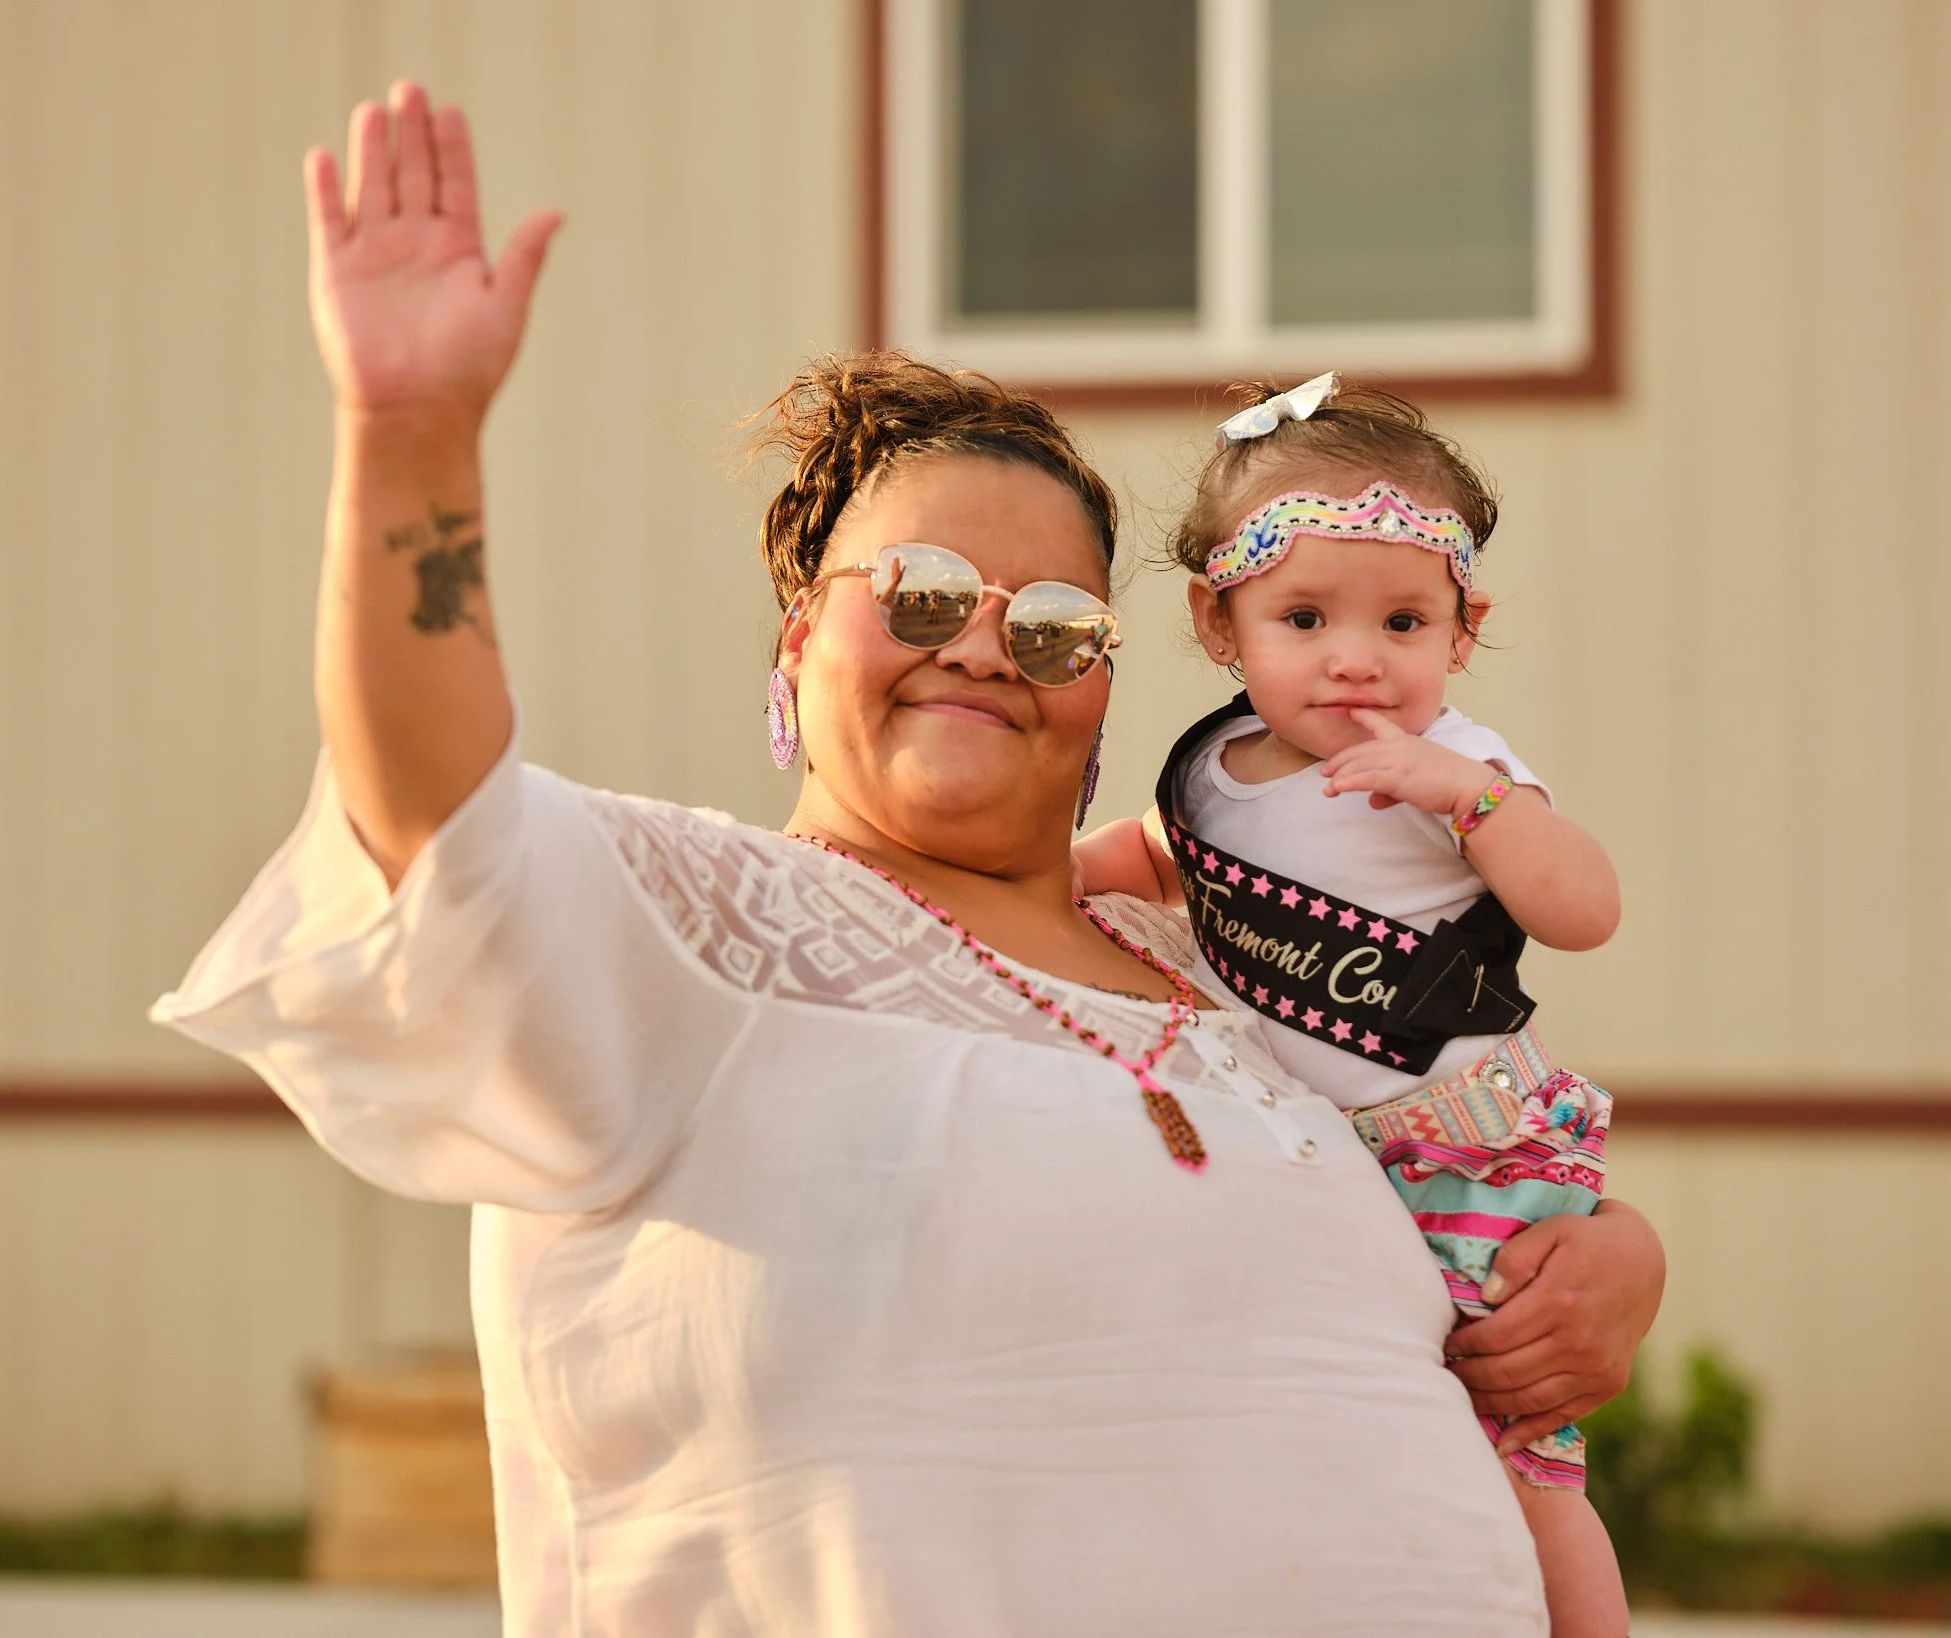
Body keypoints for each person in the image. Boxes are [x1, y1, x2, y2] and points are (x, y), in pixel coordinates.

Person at [152, 84, 1664, 1635]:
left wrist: (1611, 1258)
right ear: (797, 639)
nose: (988, 647)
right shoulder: (688, 931)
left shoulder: (1216, 950)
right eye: (924, 593)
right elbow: (434, 809)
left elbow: (1452, 1136)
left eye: (1056, 622)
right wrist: (408, 444)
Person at [1075, 374, 1628, 1635]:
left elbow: (1584, 909)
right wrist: (1051, 875)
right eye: (1304, 617)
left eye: (1401, 622)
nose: (1354, 658)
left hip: (1467, 1146)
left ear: (1460, 632)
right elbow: (1152, 861)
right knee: (1367, 1442)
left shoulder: (1462, 764)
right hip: (1324, 1171)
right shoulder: (1209, 775)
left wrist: (1469, 803)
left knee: (1516, 1455)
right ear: (1218, 624)